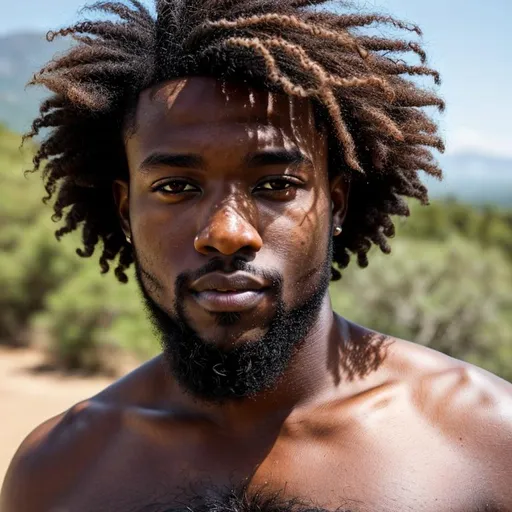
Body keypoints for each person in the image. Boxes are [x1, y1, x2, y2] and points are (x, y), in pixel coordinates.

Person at [1, 0, 511, 511]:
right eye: (176, 186)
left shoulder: (486, 439)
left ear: (335, 203)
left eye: (276, 185)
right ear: (125, 210)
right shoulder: (55, 471)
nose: (227, 233)